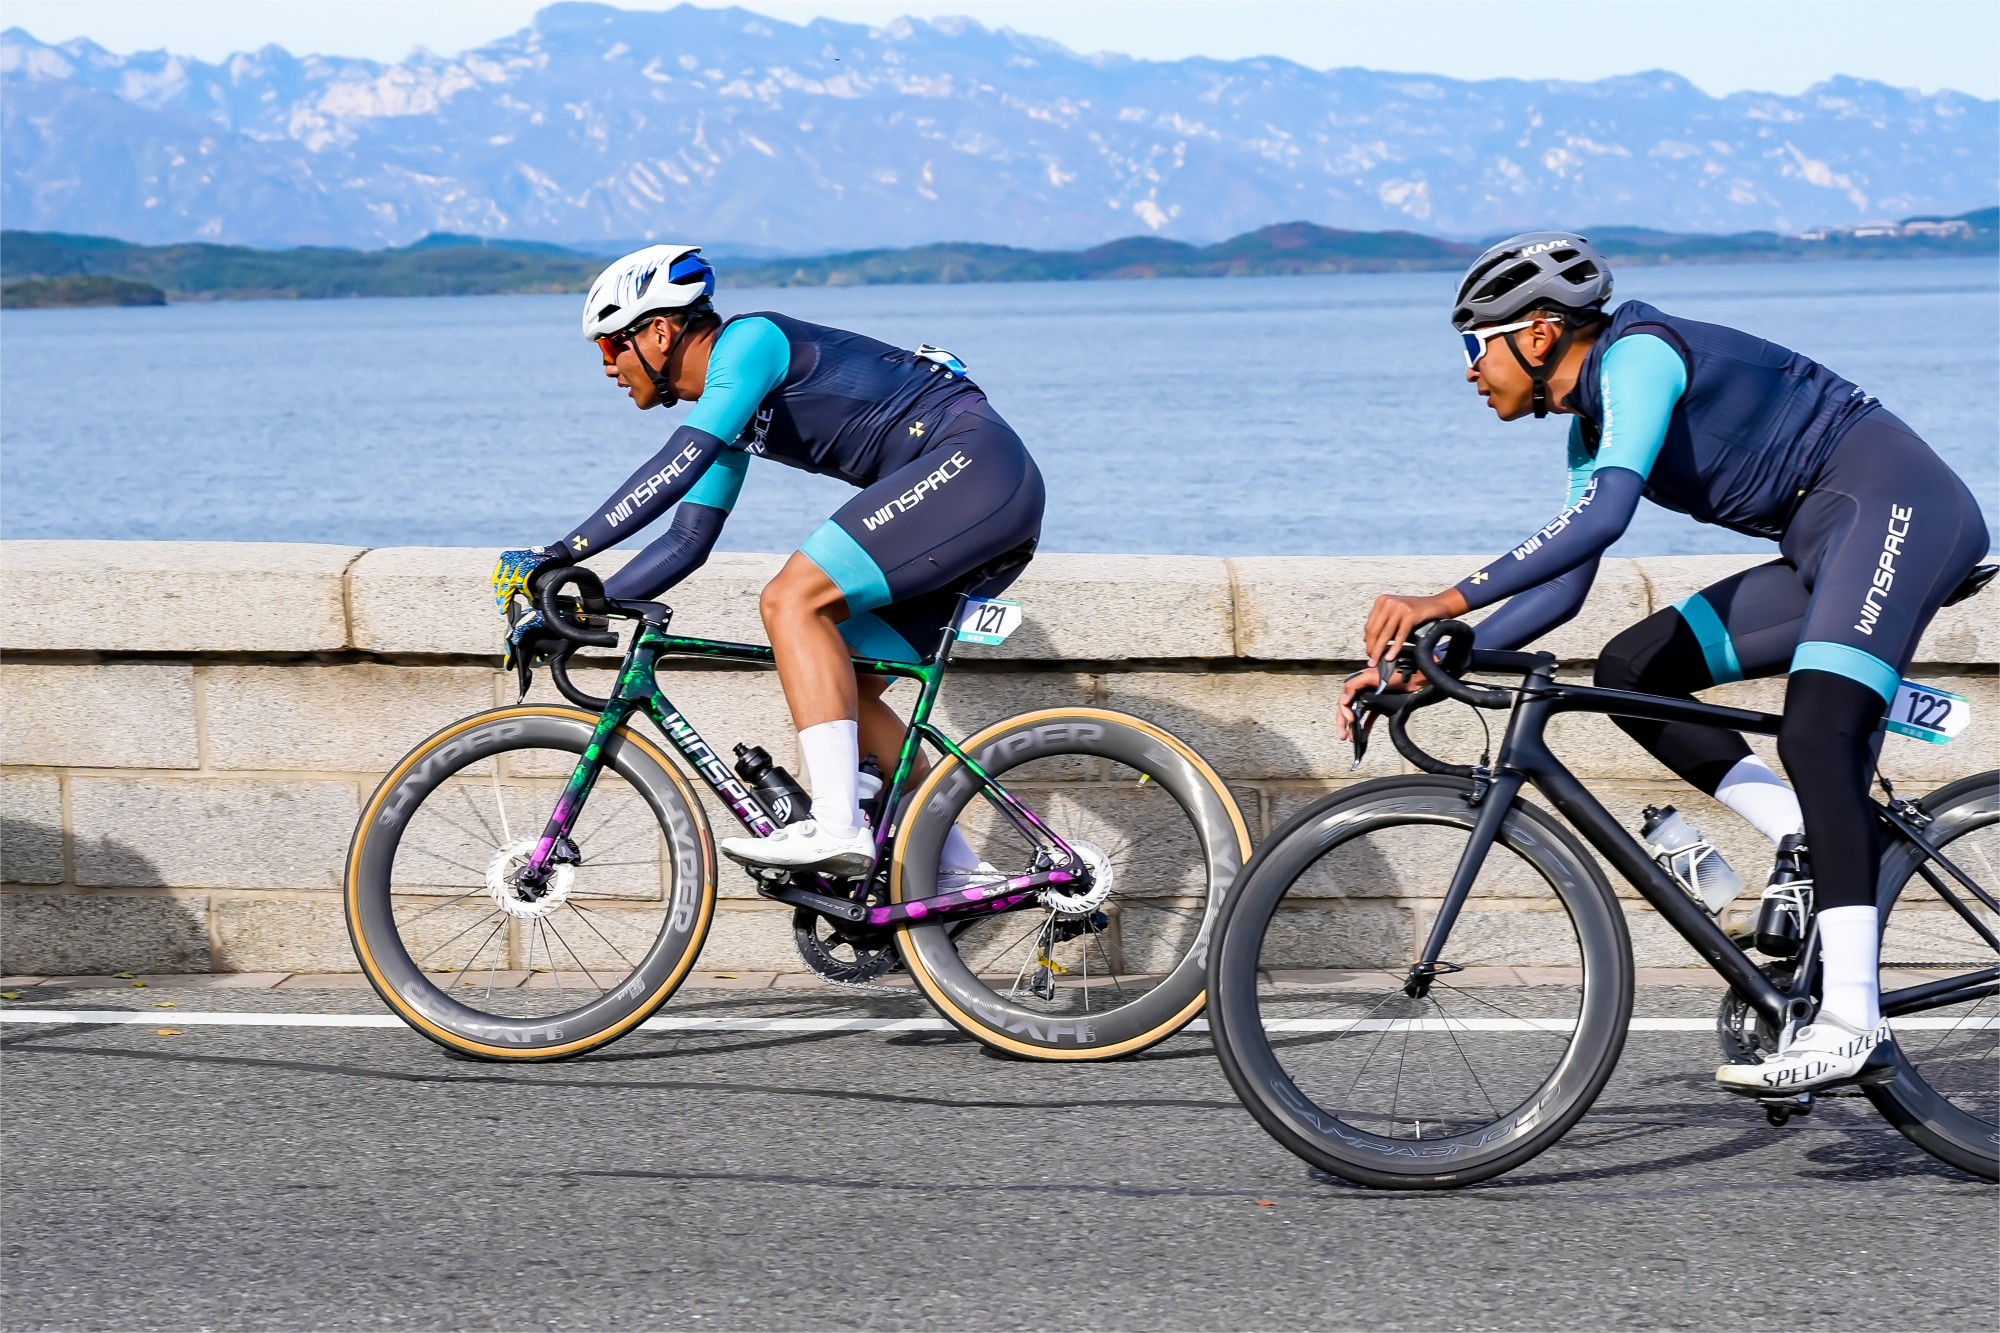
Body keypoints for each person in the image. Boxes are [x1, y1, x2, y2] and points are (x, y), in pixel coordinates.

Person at [1337, 231, 1988, 1095]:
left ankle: (1852, 1021)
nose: (1469, 372)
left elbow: (1603, 516)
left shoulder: (1639, 357)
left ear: (1538, 333)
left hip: (1898, 510)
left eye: (1474, 346)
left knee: (1816, 732)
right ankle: (1802, 831)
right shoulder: (1590, 426)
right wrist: (1440, 657)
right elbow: (1565, 583)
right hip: (1824, 545)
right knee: (1631, 671)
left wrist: (1443, 599)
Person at [492, 244, 1045, 878]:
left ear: (660, 332)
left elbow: (677, 465)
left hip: (973, 469)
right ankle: (958, 875)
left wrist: (559, 553)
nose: (607, 366)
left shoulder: (750, 343)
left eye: (611, 346)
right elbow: (686, 540)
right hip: (980, 502)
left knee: (791, 600)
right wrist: (584, 610)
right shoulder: (727, 411)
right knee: (848, 686)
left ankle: (837, 826)